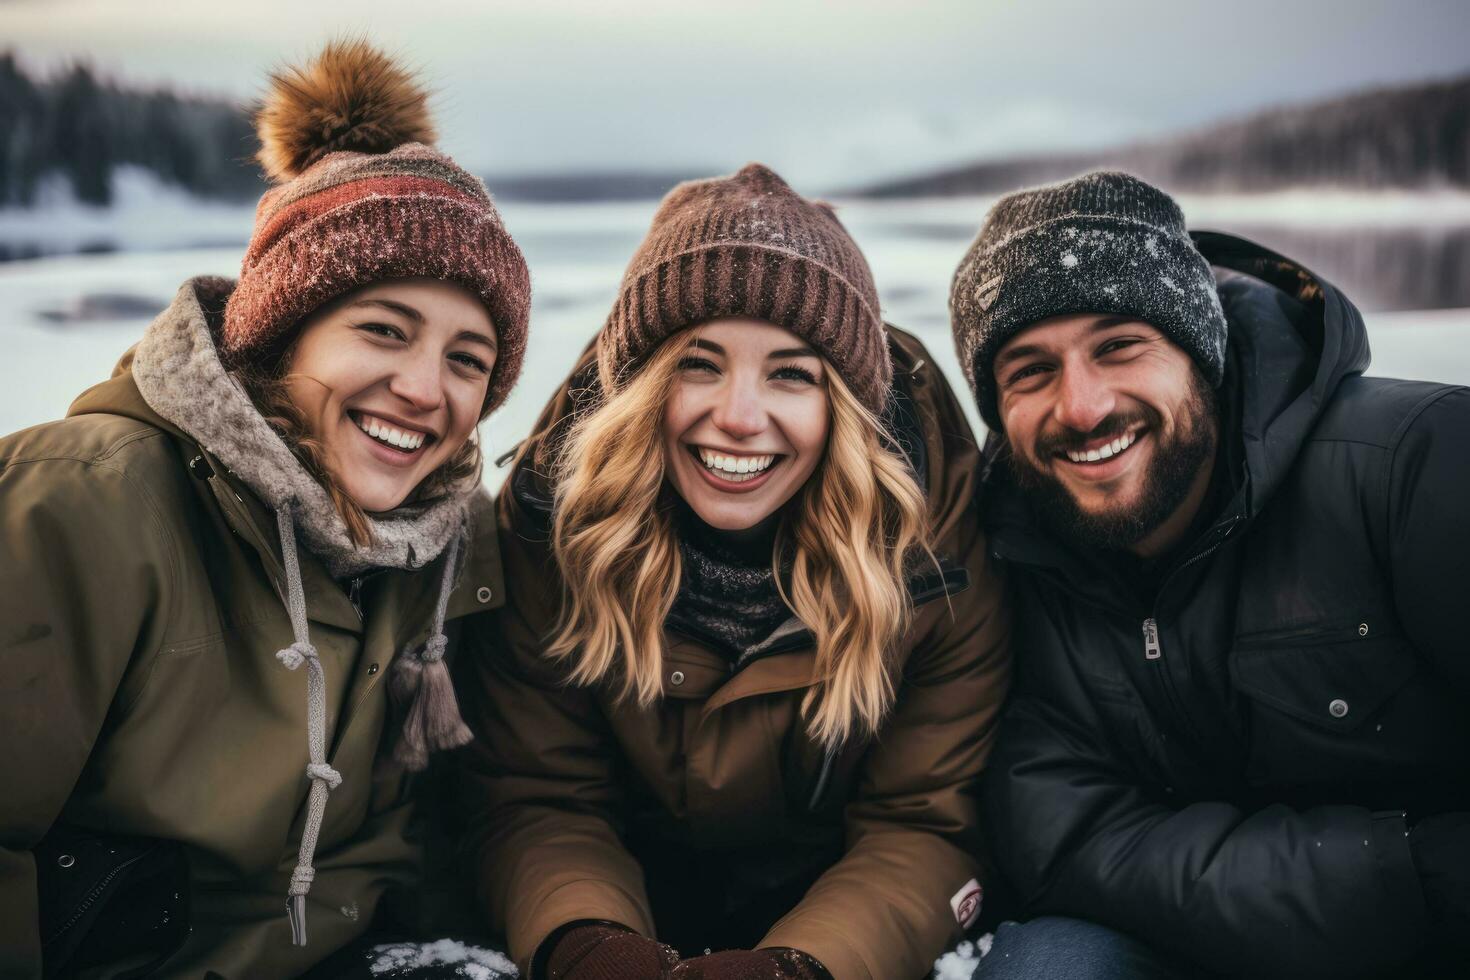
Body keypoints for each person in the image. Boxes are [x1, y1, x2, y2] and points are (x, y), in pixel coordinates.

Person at [0, 41, 531, 979]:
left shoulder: (443, 545)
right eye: (382, 330)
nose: (423, 388)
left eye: (467, 358)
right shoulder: (83, 505)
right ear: (280, 332)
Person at [455, 163, 1011, 980]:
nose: (741, 418)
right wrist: (585, 943)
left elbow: (926, 823)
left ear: (845, 407)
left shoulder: (932, 546)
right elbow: (538, 797)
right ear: (641, 384)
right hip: (626, 901)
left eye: (791, 374)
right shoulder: (554, 521)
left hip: (838, 926)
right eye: (699, 364)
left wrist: (803, 967)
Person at [947, 170, 1470, 978]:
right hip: (1171, 937)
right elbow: (1065, 833)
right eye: (1030, 371)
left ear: (1202, 351)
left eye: (1119, 346)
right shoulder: (1007, 549)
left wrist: (1420, 888)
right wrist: (1403, 870)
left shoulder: (1413, 464)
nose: (1082, 407)